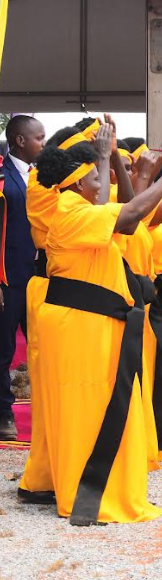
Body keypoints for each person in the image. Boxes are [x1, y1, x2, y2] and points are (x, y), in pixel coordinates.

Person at [37, 122, 162, 524]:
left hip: (92, 322)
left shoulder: (81, 210)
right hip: (80, 325)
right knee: (87, 407)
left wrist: (103, 161)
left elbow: (115, 205)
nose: (98, 184)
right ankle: (87, 492)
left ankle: (100, 482)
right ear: (76, 186)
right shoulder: (71, 215)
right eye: (92, 178)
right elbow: (131, 213)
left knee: (100, 405)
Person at [16, 118, 99, 504]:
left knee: (63, 388)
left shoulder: (55, 187)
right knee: (56, 387)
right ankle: (48, 474)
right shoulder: (45, 185)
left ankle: (55, 470)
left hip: (62, 285)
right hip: (54, 288)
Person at [0, 115, 44, 440]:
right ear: (19, 141)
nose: (43, 143)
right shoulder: (2, 177)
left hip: (39, 277)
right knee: (2, 350)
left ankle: (47, 412)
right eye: (38, 138)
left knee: (42, 346)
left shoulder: (44, 178)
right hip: (8, 278)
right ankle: (4, 416)